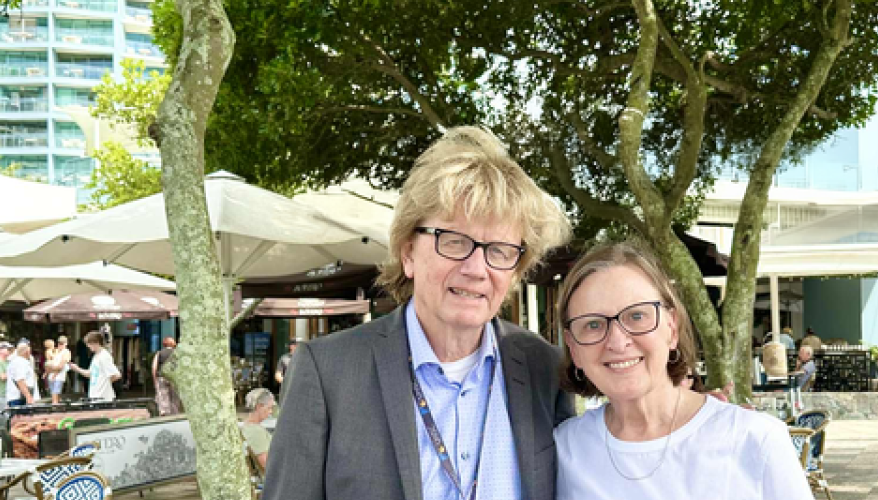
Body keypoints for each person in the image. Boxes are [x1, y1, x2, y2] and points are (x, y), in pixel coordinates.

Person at [264, 126, 573, 500]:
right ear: (408, 253)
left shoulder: (544, 368)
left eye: (499, 250)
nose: (477, 268)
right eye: (455, 241)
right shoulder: (327, 372)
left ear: (515, 270)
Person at [554, 242, 811, 499]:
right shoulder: (565, 449)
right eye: (593, 324)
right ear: (573, 348)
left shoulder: (755, 439)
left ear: (672, 328)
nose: (618, 342)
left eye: (636, 316)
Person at [68, 332, 121, 402]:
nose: (88, 346)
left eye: (89, 344)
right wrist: (76, 368)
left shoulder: (104, 356)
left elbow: (116, 375)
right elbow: (91, 374)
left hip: (103, 397)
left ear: (96, 343)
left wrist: (104, 383)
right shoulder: (96, 356)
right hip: (95, 395)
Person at [241, 388, 276, 470]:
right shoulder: (255, 431)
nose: (271, 412)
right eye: (269, 408)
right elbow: (266, 463)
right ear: (259, 406)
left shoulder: (247, 426)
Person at [152, 337, 183, 415]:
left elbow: (154, 367)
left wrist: (155, 379)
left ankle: (165, 414)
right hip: (174, 378)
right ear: (171, 343)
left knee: (163, 397)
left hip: (162, 378)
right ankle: (174, 416)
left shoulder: (159, 353)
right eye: (174, 341)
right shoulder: (177, 353)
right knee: (175, 399)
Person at [7, 341, 40, 406]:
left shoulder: (15, 362)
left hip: (18, 397)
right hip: (20, 398)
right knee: (21, 416)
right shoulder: (21, 363)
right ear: (27, 352)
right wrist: (28, 397)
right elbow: (20, 380)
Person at [45, 336, 71, 404]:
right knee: (54, 394)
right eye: (59, 343)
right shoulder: (55, 351)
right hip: (51, 376)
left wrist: (52, 369)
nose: (60, 345)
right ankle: (57, 407)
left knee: (55, 393)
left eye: (62, 343)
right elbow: (48, 363)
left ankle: (55, 408)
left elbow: (61, 366)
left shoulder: (66, 352)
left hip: (58, 377)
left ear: (66, 344)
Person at [0, 342, 14, 411]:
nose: (10, 351)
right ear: (0, 350)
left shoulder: (9, 361)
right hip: (0, 394)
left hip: (9, 394)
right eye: (8, 349)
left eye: (10, 349)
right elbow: (2, 377)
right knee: (1, 415)